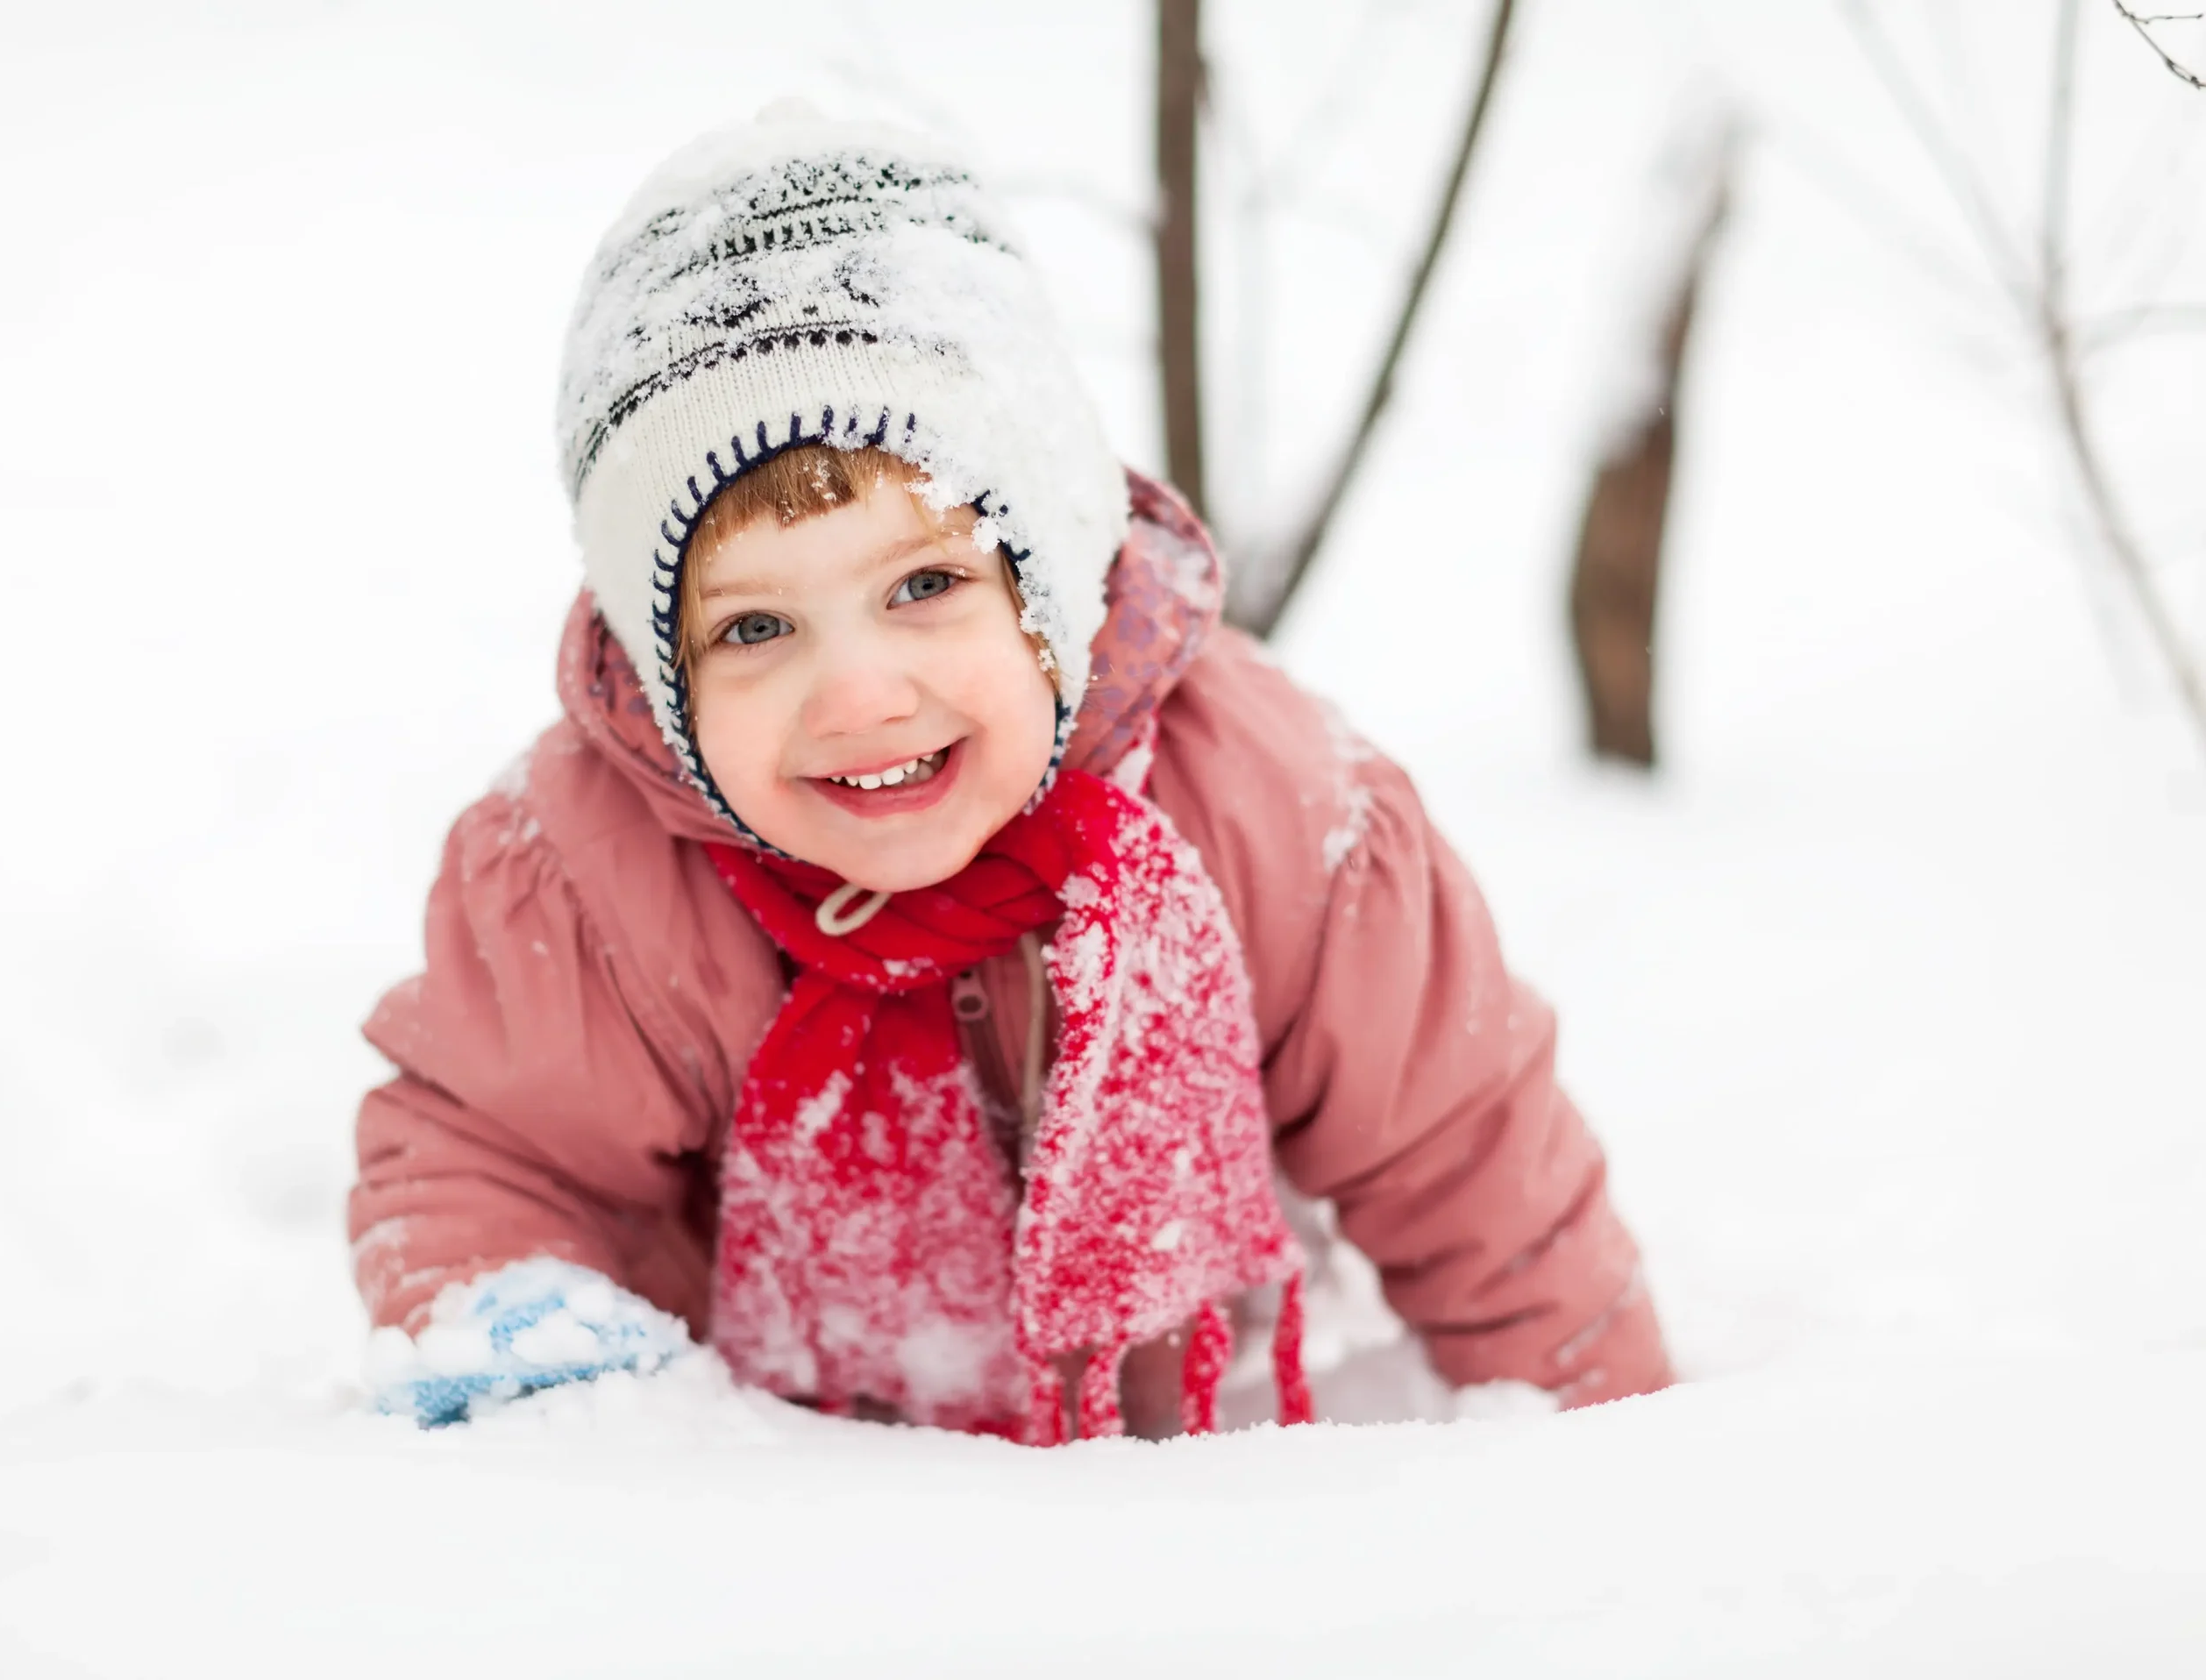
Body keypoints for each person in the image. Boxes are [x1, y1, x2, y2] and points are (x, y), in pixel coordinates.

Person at [350, 106, 1672, 1442]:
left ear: (1054, 575)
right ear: (665, 675)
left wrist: (1600, 1448)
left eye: (924, 585)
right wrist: (546, 1404)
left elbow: (1473, 1165)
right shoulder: (589, 882)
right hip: (777, 1500)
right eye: (755, 629)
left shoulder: (1281, 820)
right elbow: (489, 1164)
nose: (859, 695)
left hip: (1194, 1493)